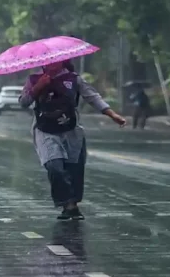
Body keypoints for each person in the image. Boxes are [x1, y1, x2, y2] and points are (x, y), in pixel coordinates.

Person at [19, 60, 127, 220]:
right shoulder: (34, 79)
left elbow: (92, 97)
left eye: (55, 60)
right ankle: (66, 202)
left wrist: (112, 114)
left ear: (62, 60)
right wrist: (38, 87)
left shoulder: (73, 79)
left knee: (74, 169)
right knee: (54, 166)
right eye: (48, 61)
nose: (51, 64)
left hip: (71, 131)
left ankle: (72, 205)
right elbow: (23, 102)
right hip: (45, 130)